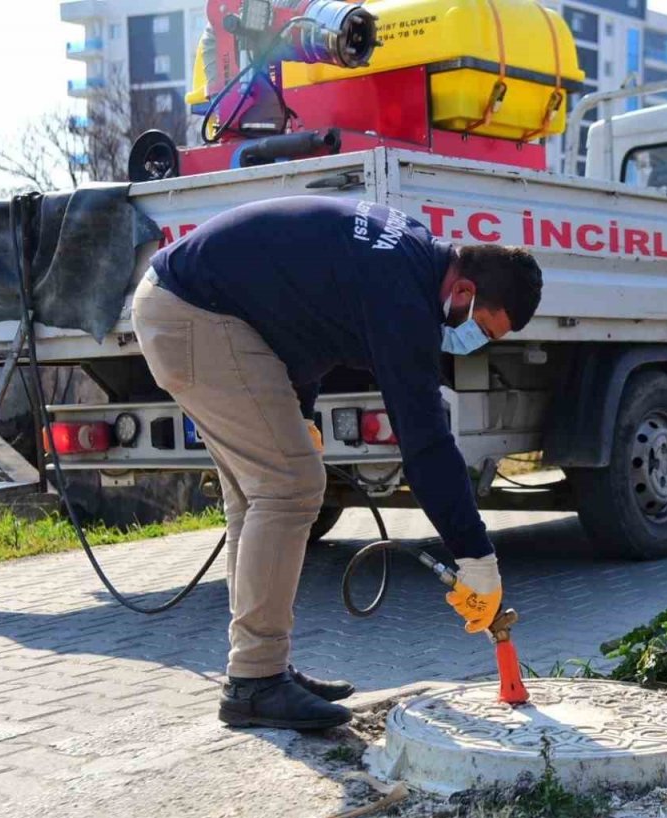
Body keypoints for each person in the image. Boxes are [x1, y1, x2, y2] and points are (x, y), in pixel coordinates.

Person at [132, 196, 544, 730]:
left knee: (259, 497)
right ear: (465, 291)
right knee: (290, 486)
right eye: (484, 330)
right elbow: (425, 442)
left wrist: (299, 411)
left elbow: (307, 321)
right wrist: (475, 556)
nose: (475, 342)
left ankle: (260, 667)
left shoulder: (414, 255)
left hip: (193, 305)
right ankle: (256, 681)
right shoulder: (405, 295)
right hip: (196, 315)